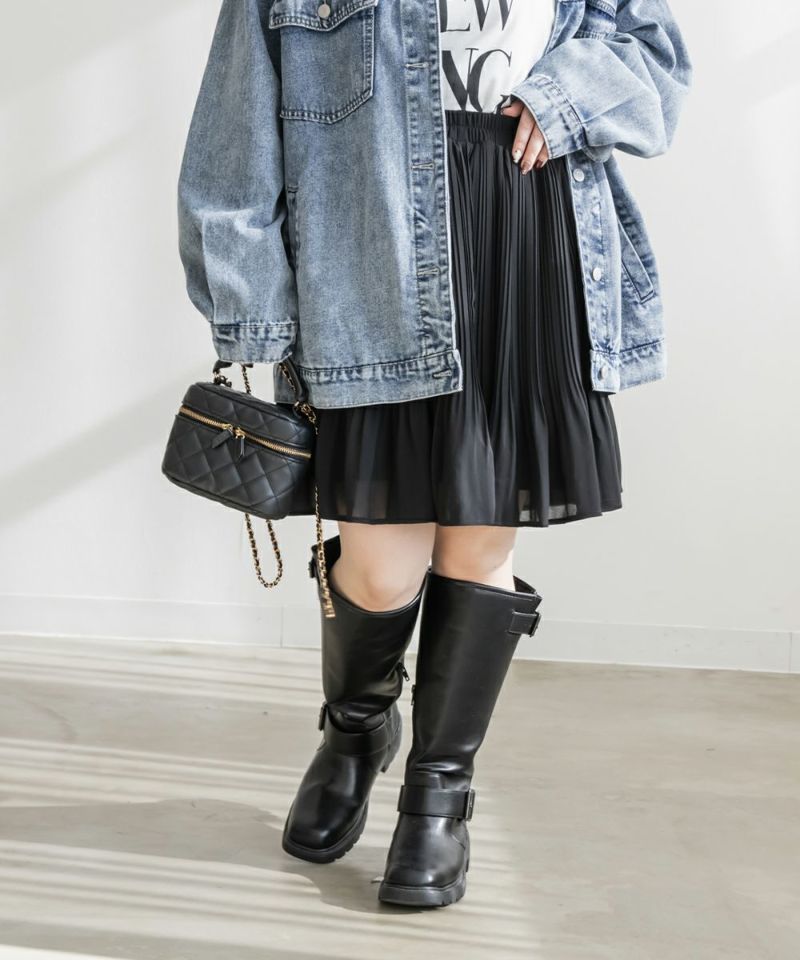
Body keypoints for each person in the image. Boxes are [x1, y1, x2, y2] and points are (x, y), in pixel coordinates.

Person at [177, 0, 692, 908]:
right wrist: (251, 305)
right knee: (380, 567)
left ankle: (439, 795)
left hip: (525, 236)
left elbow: (652, 52)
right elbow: (234, 133)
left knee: (478, 545)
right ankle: (356, 730)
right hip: (367, 269)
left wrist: (563, 99)